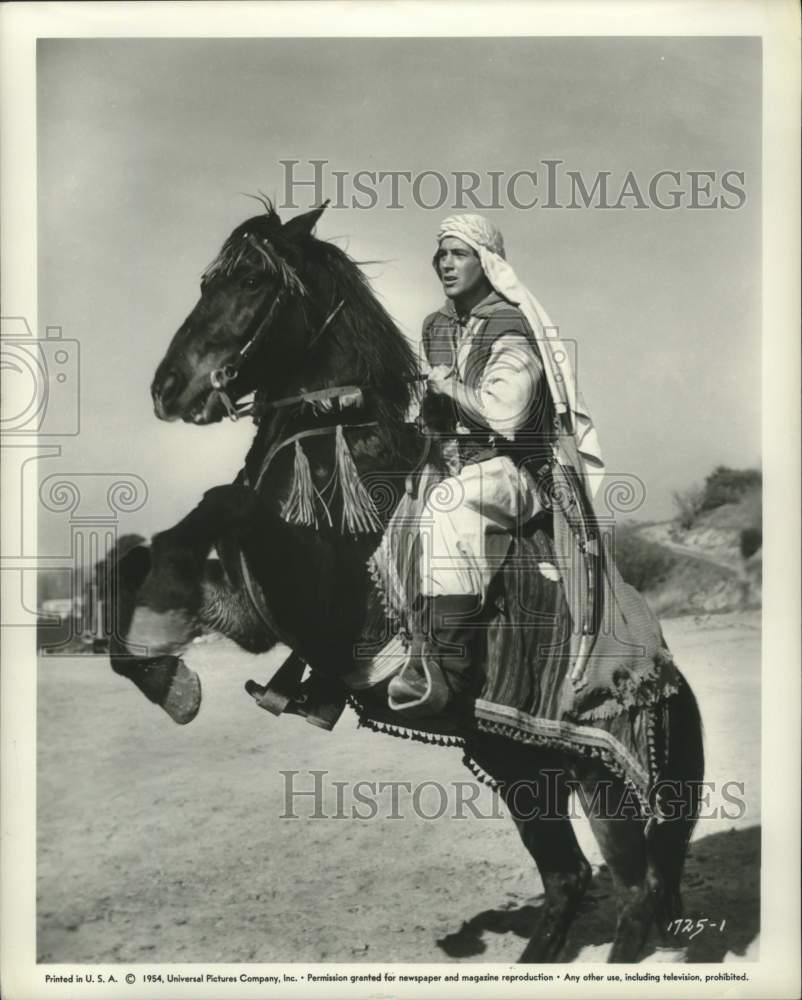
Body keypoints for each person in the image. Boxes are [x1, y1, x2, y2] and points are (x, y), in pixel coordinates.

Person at [386, 214, 604, 717]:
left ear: (486, 261)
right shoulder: (435, 326)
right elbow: (436, 414)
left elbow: (507, 414)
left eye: (457, 253)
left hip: (517, 470)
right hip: (451, 460)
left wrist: (447, 389)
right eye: (440, 253)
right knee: (373, 513)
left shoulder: (511, 323)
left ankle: (452, 672)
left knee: (449, 506)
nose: (444, 263)